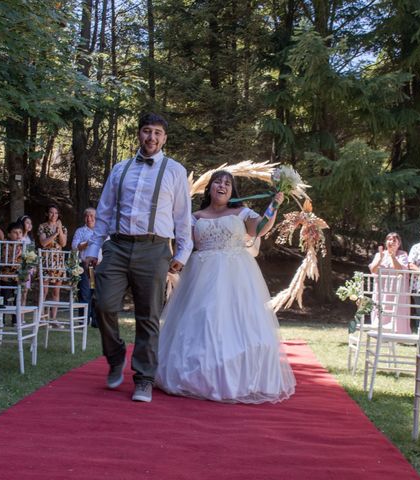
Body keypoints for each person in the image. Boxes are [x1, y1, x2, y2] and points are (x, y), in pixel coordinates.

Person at [155, 170, 296, 404]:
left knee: (235, 322)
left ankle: (237, 377)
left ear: (232, 191)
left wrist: (274, 205)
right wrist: (176, 263)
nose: (222, 185)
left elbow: (258, 229)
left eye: (227, 183)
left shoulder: (241, 212)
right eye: (218, 182)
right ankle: (198, 376)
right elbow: (185, 244)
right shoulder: (195, 216)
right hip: (201, 275)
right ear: (209, 188)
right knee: (204, 320)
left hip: (236, 275)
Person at [85, 112, 193, 403]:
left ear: (164, 138)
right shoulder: (120, 169)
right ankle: (115, 353)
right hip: (117, 247)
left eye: (158, 132)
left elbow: (183, 217)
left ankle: (144, 378)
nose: (152, 138)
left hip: (155, 248)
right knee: (103, 304)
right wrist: (94, 247)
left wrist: (182, 251)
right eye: (147, 131)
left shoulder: (175, 171)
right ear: (138, 134)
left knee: (148, 316)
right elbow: (105, 211)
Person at [368, 232, 411, 334]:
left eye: (394, 240)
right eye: (389, 239)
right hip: (382, 287)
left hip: (397, 288)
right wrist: (381, 258)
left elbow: (400, 270)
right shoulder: (379, 254)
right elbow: (373, 270)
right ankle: (378, 329)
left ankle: (398, 331)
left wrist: (392, 257)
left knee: (397, 308)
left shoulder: (403, 255)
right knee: (380, 307)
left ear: (399, 243)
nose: (391, 242)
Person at [38, 205, 68, 323]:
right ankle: (41, 316)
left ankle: (53, 318)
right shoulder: (42, 227)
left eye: (56, 213)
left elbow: (63, 243)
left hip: (58, 261)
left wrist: (59, 230)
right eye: (51, 213)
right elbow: (44, 242)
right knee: (44, 290)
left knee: (56, 291)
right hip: (46, 260)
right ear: (47, 214)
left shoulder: (63, 228)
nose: (53, 215)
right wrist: (55, 233)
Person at [71, 207, 98, 327]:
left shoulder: (101, 231)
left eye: (92, 216)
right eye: (87, 216)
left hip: (99, 267)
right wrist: (88, 242)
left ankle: (96, 321)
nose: (89, 218)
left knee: (96, 293)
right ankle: (83, 321)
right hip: (86, 266)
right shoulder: (80, 231)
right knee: (85, 293)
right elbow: (74, 247)